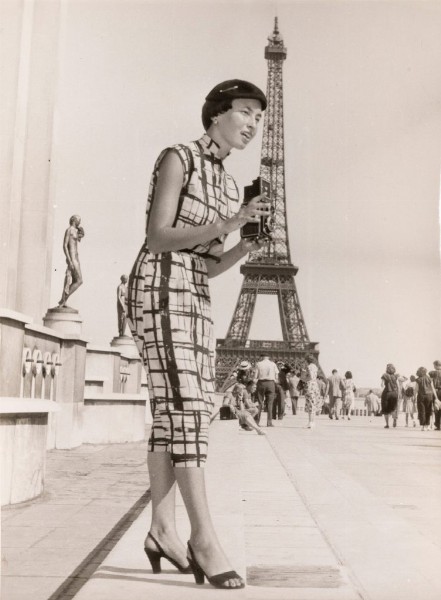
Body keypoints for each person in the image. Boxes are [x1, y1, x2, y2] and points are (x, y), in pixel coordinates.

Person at [126, 79, 269, 589]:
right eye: (245, 112)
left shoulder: (229, 184)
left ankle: (162, 530)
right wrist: (229, 222)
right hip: (158, 286)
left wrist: (242, 248)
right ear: (216, 114)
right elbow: (158, 237)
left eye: (259, 117)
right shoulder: (178, 158)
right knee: (188, 406)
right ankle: (204, 539)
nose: (253, 124)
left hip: (195, 293)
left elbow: (205, 265)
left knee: (174, 412)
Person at [58, 215, 84, 307]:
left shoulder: (75, 230)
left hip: (76, 258)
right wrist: (69, 260)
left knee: (76, 280)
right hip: (72, 258)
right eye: (79, 220)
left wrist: (81, 233)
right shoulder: (69, 230)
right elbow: (65, 245)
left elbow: (79, 239)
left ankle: (63, 300)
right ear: (74, 220)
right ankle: (63, 300)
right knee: (79, 280)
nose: (79, 222)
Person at [254, 354, 279, 427]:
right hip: (271, 383)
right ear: (268, 357)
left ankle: (257, 421)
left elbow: (255, 376)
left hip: (261, 383)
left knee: (259, 402)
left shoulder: (258, 364)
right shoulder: (273, 364)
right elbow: (276, 375)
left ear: (262, 357)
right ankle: (269, 422)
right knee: (270, 404)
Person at [415, 366, 437, 431]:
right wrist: (436, 397)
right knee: (428, 411)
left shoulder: (418, 379)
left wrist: (414, 396)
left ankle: (422, 426)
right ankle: (427, 426)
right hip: (429, 396)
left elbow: (416, 389)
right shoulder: (430, 379)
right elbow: (433, 388)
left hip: (421, 396)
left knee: (421, 411)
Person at [303, 356, 322, 429]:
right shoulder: (315, 367)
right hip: (315, 385)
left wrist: (304, 379)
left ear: (307, 360)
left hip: (310, 385)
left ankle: (310, 422)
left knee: (310, 403)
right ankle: (312, 422)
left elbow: (310, 376)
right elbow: (314, 376)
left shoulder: (309, 367)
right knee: (313, 403)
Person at [380, 363, 399, 429]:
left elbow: (382, 385)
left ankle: (387, 424)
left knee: (385, 409)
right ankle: (394, 419)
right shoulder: (396, 376)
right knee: (393, 408)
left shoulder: (384, 375)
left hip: (387, 393)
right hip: (394, 393)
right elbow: (398, 385)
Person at [429, 360, 441, 430]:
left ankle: (437, 424)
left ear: (436, 365)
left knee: (437, 408)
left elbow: (431, 384)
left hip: (436, 391)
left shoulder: (432, 373)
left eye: (434, 365)